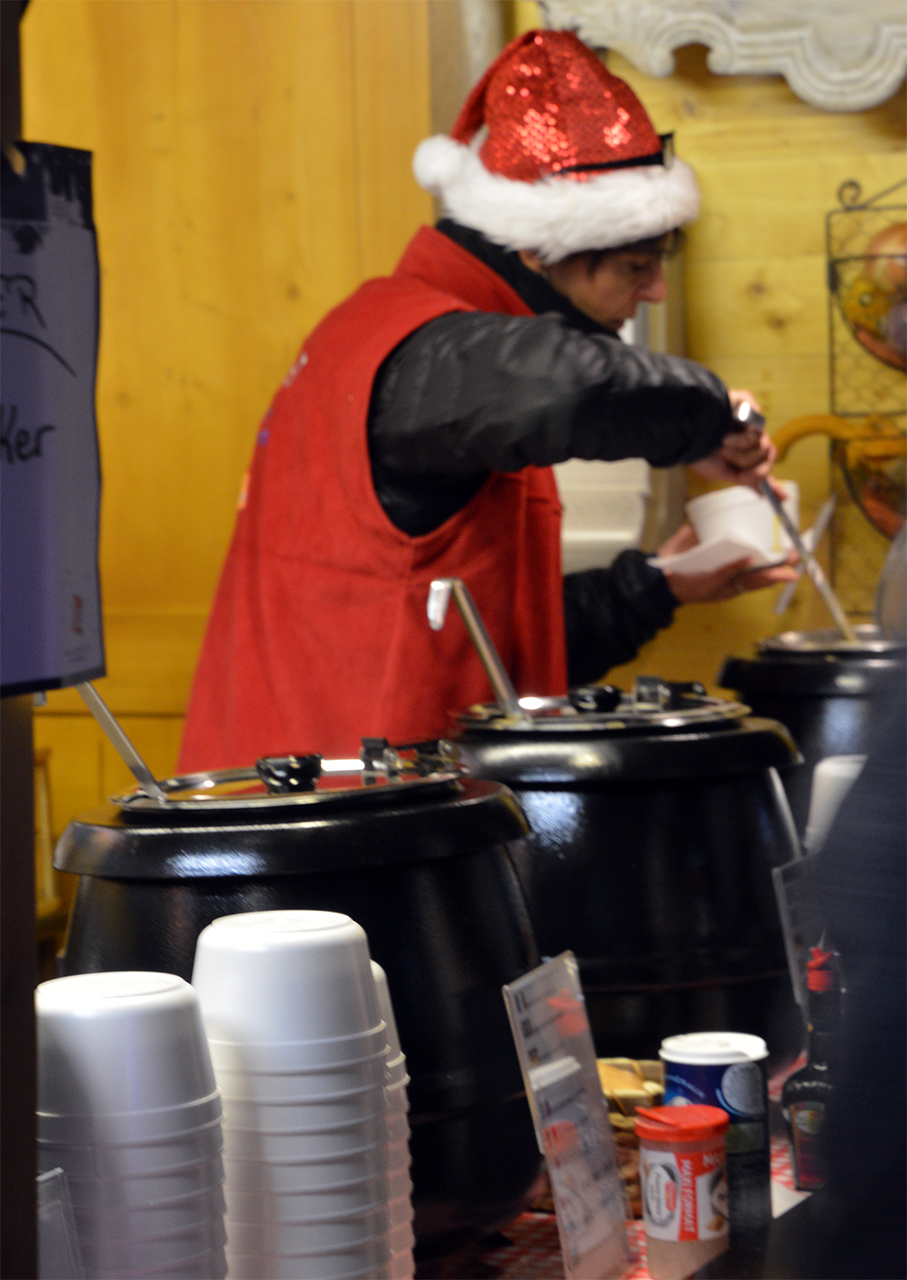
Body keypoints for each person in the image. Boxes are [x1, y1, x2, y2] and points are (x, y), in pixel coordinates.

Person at [178, 28, 796, 772]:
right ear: (537, 246)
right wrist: (708, 415)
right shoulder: (418, 347)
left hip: (363, 808)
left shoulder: (457, 366)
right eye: (635, 265)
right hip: (321, 825)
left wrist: (654, 587)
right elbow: (566, 386)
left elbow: (496, 651)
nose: (654, 291)